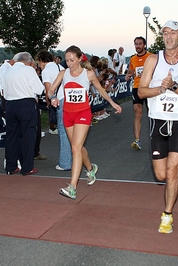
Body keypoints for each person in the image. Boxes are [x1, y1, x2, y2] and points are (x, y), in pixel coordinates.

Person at [138, 20, 178, 234]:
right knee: (161, 175)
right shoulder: (153, 60)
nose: (169, 36)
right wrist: (160, 89)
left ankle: (167, 215)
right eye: (165, 32)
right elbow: (141, 92)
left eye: (173, 32)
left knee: (173, 171)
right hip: (158, 122)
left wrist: (173, 85)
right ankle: (170, 195)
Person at [48, 45, 122, 200]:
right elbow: (50, 90)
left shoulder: (88, 74)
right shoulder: (63, 73)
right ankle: (91, 168)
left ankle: (72, 188)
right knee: (78, 148)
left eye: (72, 60)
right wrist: (53, 97)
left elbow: (101, 90)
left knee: (75, 148)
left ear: (80, 58)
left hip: (83, 113)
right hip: (68, 114)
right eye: (67, 60)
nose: (69, 63)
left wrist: (112, 103)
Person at [2, 52, 44, 175]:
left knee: (11, 137)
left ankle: (11, 166)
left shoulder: (8, 71)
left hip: (10, 104)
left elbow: (4, 90)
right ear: (28, 62)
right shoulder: (28, 71)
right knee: (27, 136)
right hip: (26, 104)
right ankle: (27, 167)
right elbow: (39, 89)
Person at [36, 50, 71, 171]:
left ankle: (65, 162)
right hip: (70, 98)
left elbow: (48, 89)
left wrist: (49, 101)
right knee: (70, 130)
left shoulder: (46, 71)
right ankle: (72, 159)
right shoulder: (60, 66)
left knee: (63, 130)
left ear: (41, 60)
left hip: (60, 99)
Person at [125, 36, 151, 150]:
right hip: (137, 88)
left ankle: (156, 137)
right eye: (136, 44)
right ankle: (137, 140)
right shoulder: (132, 59)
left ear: (144, 45)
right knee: (138, 113)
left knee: (152, 113)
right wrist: (128, 75)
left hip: (150, 87)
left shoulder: (151, 57)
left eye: (140, 44)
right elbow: (131, 70)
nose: (138, 46)